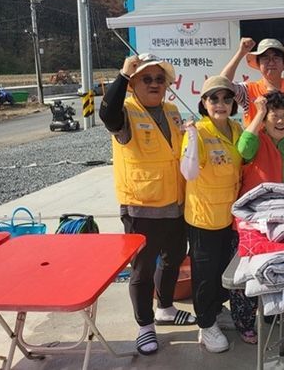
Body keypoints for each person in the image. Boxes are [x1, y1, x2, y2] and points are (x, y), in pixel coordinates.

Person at [99, 53, 195, 357]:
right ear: (133, 84)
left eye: (159, 79)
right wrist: (123, 74)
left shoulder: (172, 111)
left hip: (176, 204)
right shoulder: (125, 113)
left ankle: (165, 308)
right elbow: (107, 115)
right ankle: (144, 326)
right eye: (146, 78)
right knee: (142, 269)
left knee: (174, 258)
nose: (154, 84)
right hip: (142, 207)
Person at [231, 91, 284, 333]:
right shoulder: (256, 139)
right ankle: (245, 323)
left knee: (279, 270)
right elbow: (243, 150)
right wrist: (258, 113)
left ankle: (275, 315)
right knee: (248, 274)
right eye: (274, 116)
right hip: (253, 220)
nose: (280, 121)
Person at [180, 76, 244, 352]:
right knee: (205, 275)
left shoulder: (236, 129)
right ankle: (206, 325)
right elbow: (189, 172)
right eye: (213, 99)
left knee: (222, 271)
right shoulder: (199, 131)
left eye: (226, 98)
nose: (220, 104)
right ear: (204, 103)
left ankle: (215, 310)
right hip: (204, 218)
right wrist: (193, 138)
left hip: (229, 216)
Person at [221, 37, 284, 132]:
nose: (271, 62)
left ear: (283, 62)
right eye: (265, 58)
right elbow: (222, 83)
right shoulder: (248, 90)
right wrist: (241, 52)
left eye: (276, 58)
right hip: (257, 141)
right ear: (258, 64)